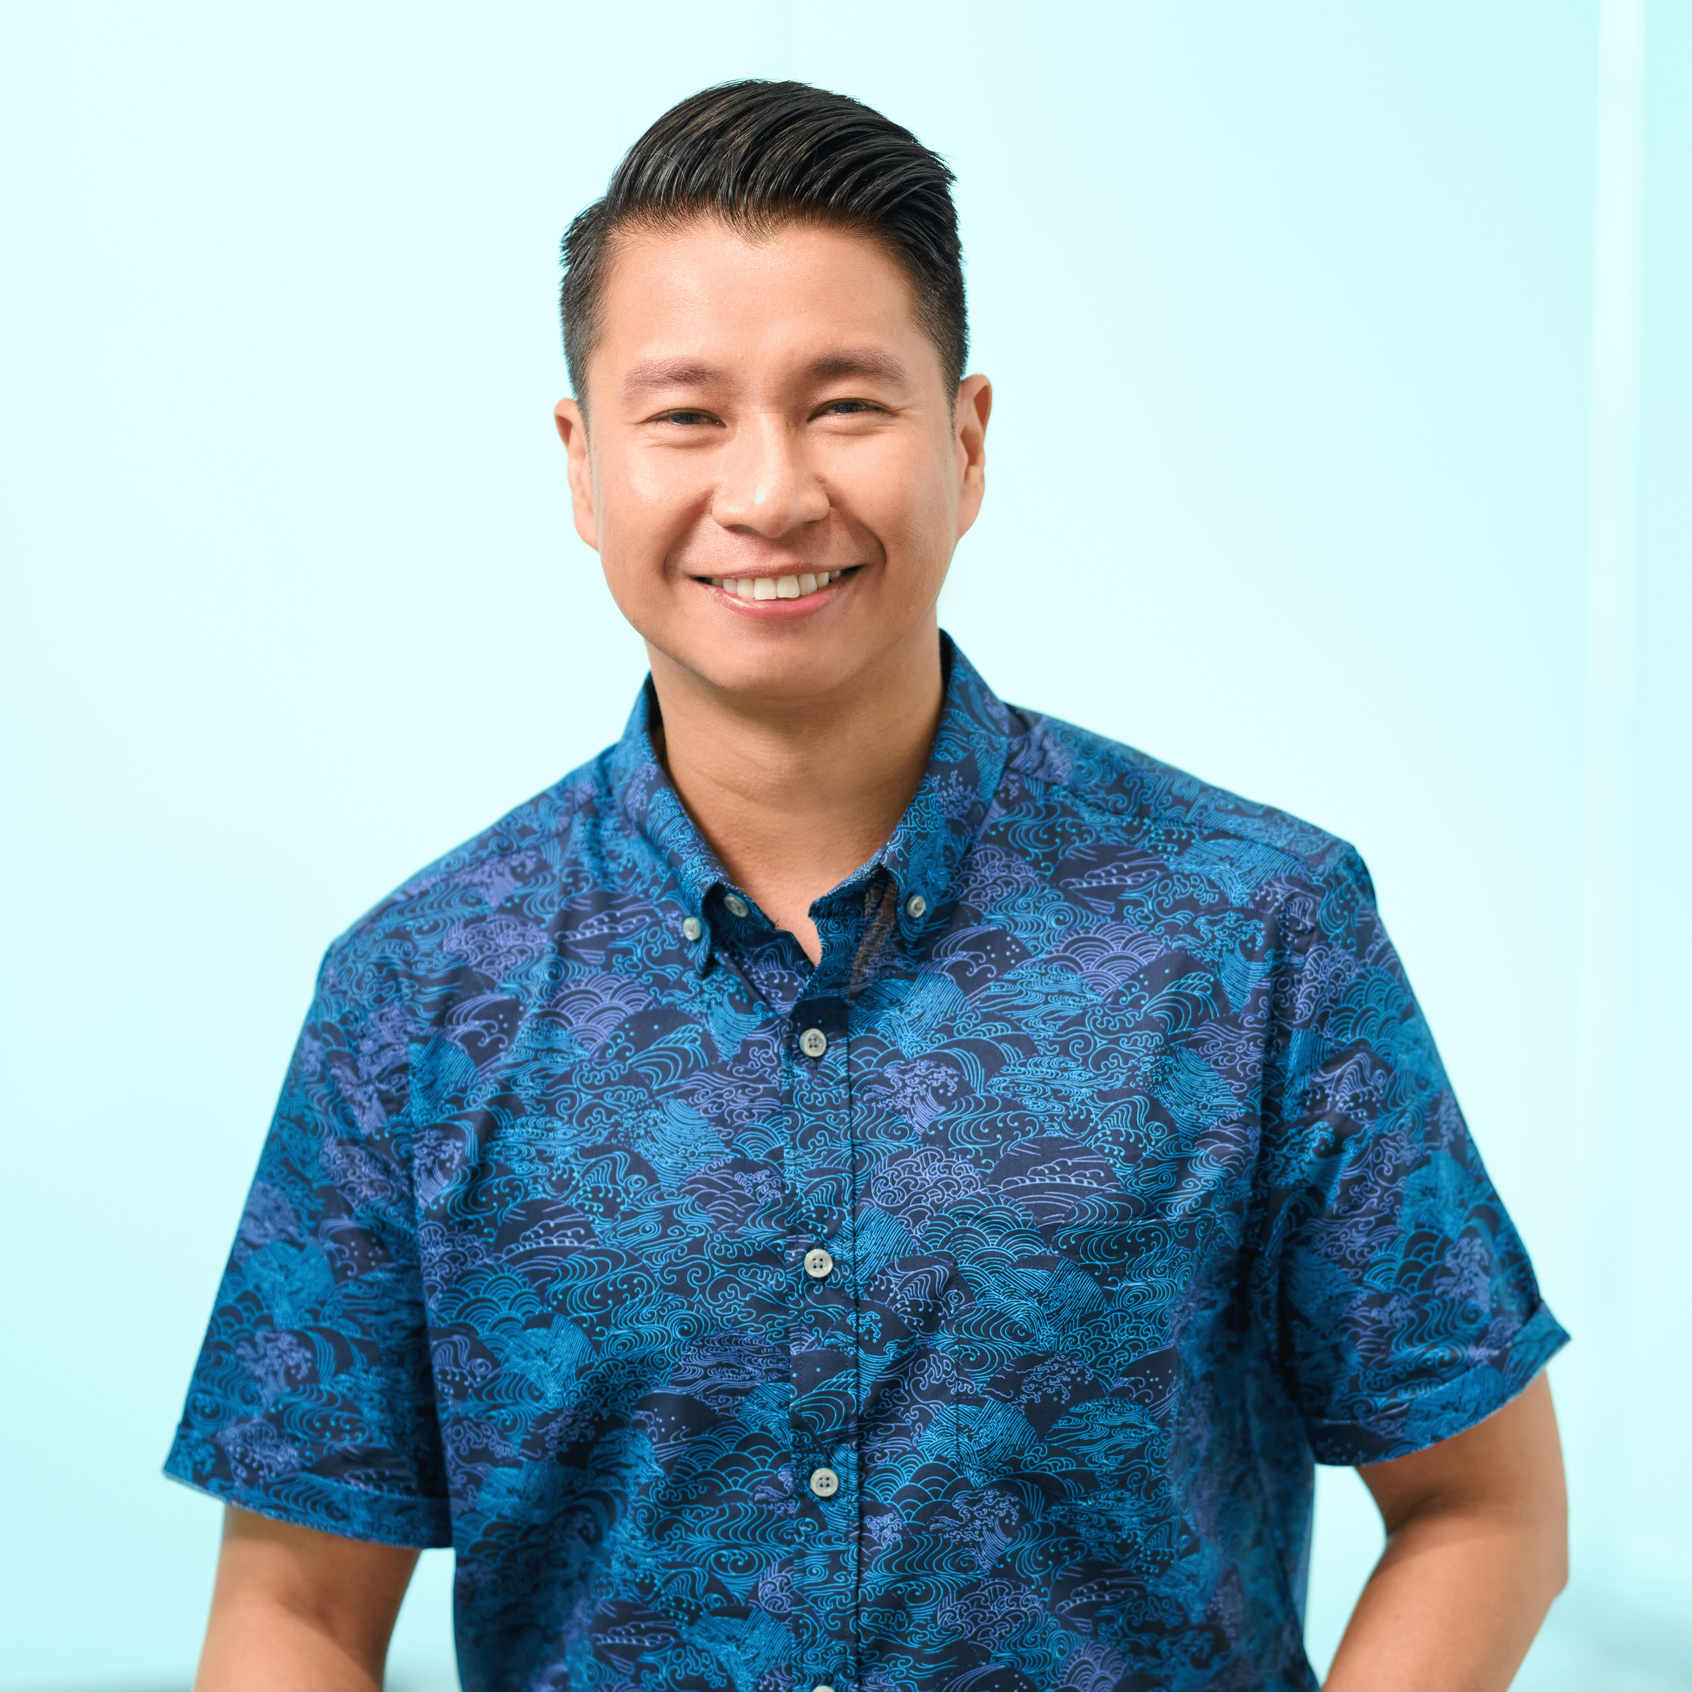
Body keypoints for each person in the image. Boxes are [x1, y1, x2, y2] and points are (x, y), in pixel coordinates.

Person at [168, 80, 1569, 1692]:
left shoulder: (1256, 934)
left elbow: (1485, 1507)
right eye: (686, 414)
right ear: (582, 465)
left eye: (845, 404)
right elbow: (294, 1612)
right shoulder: (420, 993)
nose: (769, 494)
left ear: (966, 444)